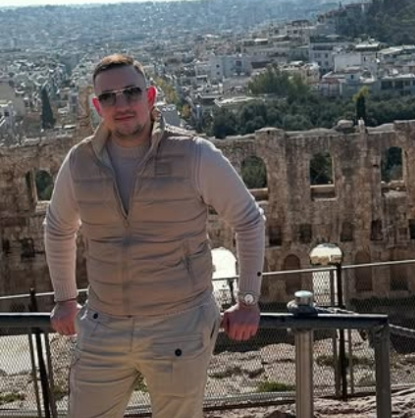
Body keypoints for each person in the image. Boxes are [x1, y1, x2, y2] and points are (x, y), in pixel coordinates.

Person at [44, 54, 265, 418]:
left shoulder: (193, 153)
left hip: (179, 324)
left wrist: (249, 299)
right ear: (98, 107)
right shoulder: (79, 161)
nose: (121, 104)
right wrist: (66, 298)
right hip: (103, 324)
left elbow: (249, 220)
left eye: (131, 92)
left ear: (149, 97)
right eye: (109, 97)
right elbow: (57, 228)